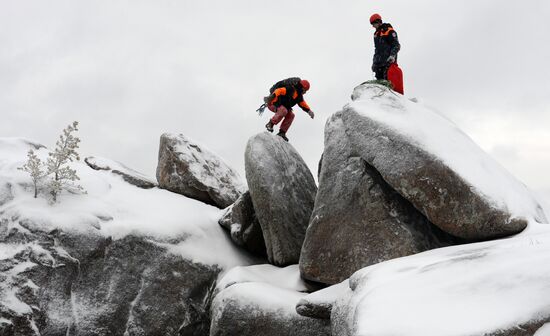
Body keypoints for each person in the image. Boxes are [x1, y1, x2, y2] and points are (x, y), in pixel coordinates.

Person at [263, 77, 314, 142]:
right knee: (284, 110)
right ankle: (270, 124)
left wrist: (309, 111)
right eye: (305, 90)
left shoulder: (299, 96)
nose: (305, 92)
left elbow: (302, 103)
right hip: (273, 103)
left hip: (283, 106)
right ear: (301, 88)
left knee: (291, 115)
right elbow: (280, 90)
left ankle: (282, 132)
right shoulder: (290, 89)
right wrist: (271, 97)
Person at [370, 13, 401, 80]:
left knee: (388, 83)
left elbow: (396, 45)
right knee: (380, 86)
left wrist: (392, 56)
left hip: (388, 63)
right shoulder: (376, 35)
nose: (373, 26)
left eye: (373, 24)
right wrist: (374, 63)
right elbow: (377, 50)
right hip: (379, 65)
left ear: (378, 22)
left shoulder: (389, 31)